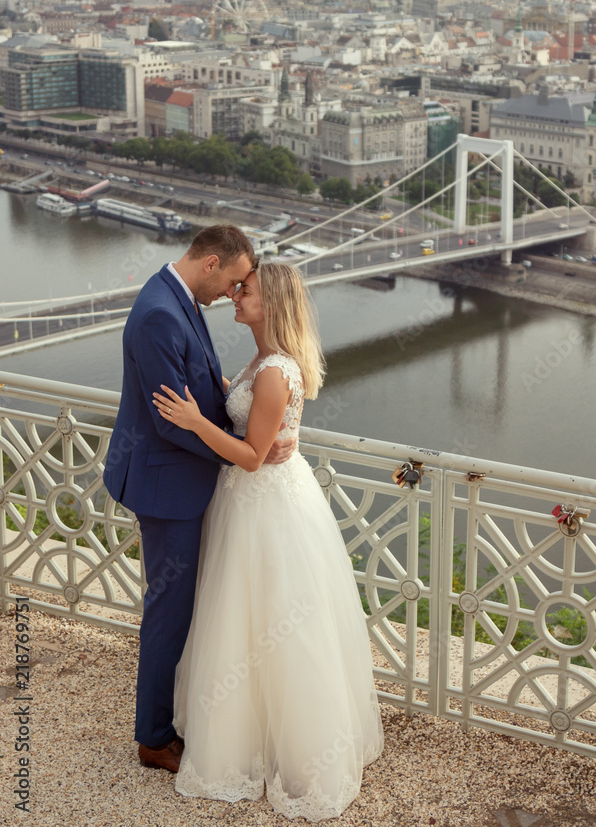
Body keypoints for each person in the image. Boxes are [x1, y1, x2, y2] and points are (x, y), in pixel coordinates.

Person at [152, 262, 384, 822]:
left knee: (276, 622)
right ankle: (245, 736)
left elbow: (254, 457)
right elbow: (254, 422)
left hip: (268, 505)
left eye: (246, 291)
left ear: (272, 304)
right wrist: (232, 401)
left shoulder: (277, 370)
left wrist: (192, 421)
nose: (235, 295)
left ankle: (297, 752)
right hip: (246, 504)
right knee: (242, 621)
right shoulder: (262, 361)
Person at [103, 225, 294, 774]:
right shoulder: (163, 314)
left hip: (183, 480)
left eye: (243, 289)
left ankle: (184, 715)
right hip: (167, 485)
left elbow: (205, 390)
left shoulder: (174, 298)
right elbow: (171, 425)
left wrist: (262, 426)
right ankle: (154, 738)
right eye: (234, 281)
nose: (233, 294)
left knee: (193, 606)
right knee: (170, 612)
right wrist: (244, 454)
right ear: (211, 263)